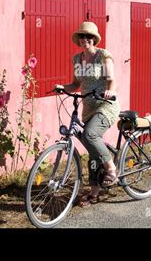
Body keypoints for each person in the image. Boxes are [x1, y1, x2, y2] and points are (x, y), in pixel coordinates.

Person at [54, 21, 121, 207]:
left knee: (90, 135)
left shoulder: (103, 56)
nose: (85, 40)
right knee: (92, 149)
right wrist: (62, 87)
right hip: (88, 108)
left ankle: (111, 168)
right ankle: (94, 193)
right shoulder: (77, 59)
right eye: (82, 36)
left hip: (105, 105)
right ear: (79, 40)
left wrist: (110, 91)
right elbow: (75, 84)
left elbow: (111, 80)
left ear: (94, 39)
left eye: (89, 37)